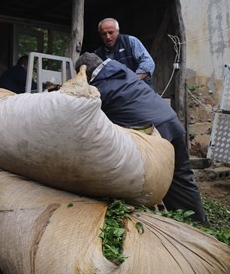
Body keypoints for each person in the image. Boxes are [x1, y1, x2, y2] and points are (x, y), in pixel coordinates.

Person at [74, 52, 208, 225]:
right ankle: (199, 224)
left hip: (156, 135)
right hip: (172, 123)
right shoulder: (123, 71)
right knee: (182, 177)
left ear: (84, 74)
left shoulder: (99, 90)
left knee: (160, 180)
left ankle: (189, 226)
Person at [94, 18, 155, 86]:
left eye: (111, 32)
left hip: (140, 86)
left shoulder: (130, 41)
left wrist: (133, 80)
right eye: (104, 34)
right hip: (116, 90)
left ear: (118, 31)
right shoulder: (98, 54)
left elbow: (148, 62)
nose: (108, 37)